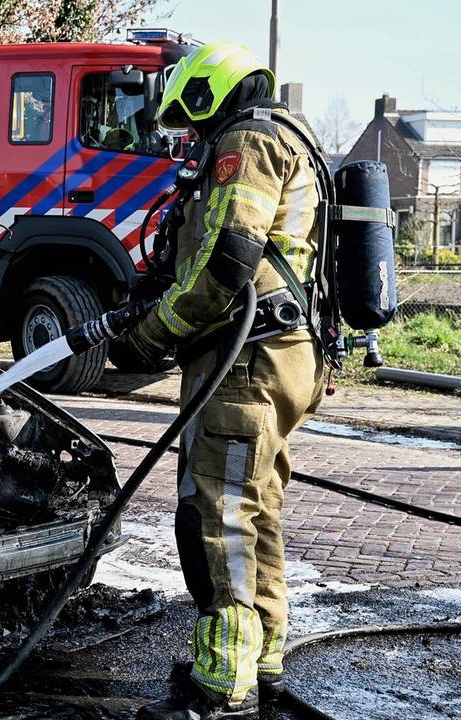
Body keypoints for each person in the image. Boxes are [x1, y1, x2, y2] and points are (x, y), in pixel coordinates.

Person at [113, 41, 329, 720]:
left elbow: (228, 254)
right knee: (255, 507)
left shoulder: (247, 142)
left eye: (189, 118)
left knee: (220, 513)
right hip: (281, 356)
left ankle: (220, 687)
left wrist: (155, 333)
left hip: (247, 361)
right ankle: (260, 662)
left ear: (206, 92)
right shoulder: (288, 135)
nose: (191, 134)